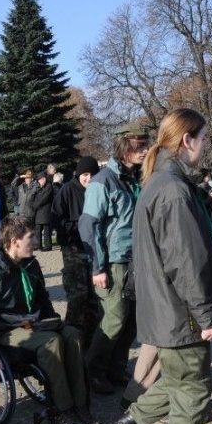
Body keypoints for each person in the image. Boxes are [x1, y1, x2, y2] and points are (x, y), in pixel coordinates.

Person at [94, 108, 212, 424]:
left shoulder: (162, 182)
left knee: (175, 382)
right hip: (180, 313)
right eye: (203, 139)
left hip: (168, 309)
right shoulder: (171, 188)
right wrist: (206, 315)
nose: (205, 146)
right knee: (194, 390)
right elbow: (186, 262)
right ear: (187, 140)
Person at [0, 215, 93, 424]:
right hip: (5, 330)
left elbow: (42, 298)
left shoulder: (31, 263)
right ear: (14, 241)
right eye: (31, 237)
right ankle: (62, 411)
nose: (37, 242)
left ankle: (80, 405)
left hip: (34, 324)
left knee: (73, 334)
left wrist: (52, 321)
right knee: (52, 342)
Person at [78, 122, 148, 394]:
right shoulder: (103, 181)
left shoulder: (138, 178)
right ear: (124, 147)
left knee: (131, 320)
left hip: (137, 261)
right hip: (112, 264)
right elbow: (89, 225)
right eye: (138, 145)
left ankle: (116, 370)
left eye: (145, 144)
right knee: (114, 319)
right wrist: (98, 267)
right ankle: (92, 372)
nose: (144, 150)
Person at [51, 156, 101, 345]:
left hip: (95, 250)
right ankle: (71, 338)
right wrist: (77, 226)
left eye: (92, 174)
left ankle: (91, 339)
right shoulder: (67, 190)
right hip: (74, 249)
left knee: (94, 298)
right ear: (78, 175)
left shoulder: (98, 190)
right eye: (85, 175)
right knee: (77, 296)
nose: (89, 178)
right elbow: (55, 218)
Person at [33, 172, 55, 251]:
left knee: (46, 229)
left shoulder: (49, 186)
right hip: (40, 211)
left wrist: (36, 204)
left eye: (40, 180)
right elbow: (36, 197)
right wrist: (35, 204)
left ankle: (48, 245)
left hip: (46, 210)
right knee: (38, 228)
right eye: (38, 180)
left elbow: (45, 198)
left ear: (44, 179)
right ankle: (38, 245)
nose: (39, 181)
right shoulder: (40, 187)